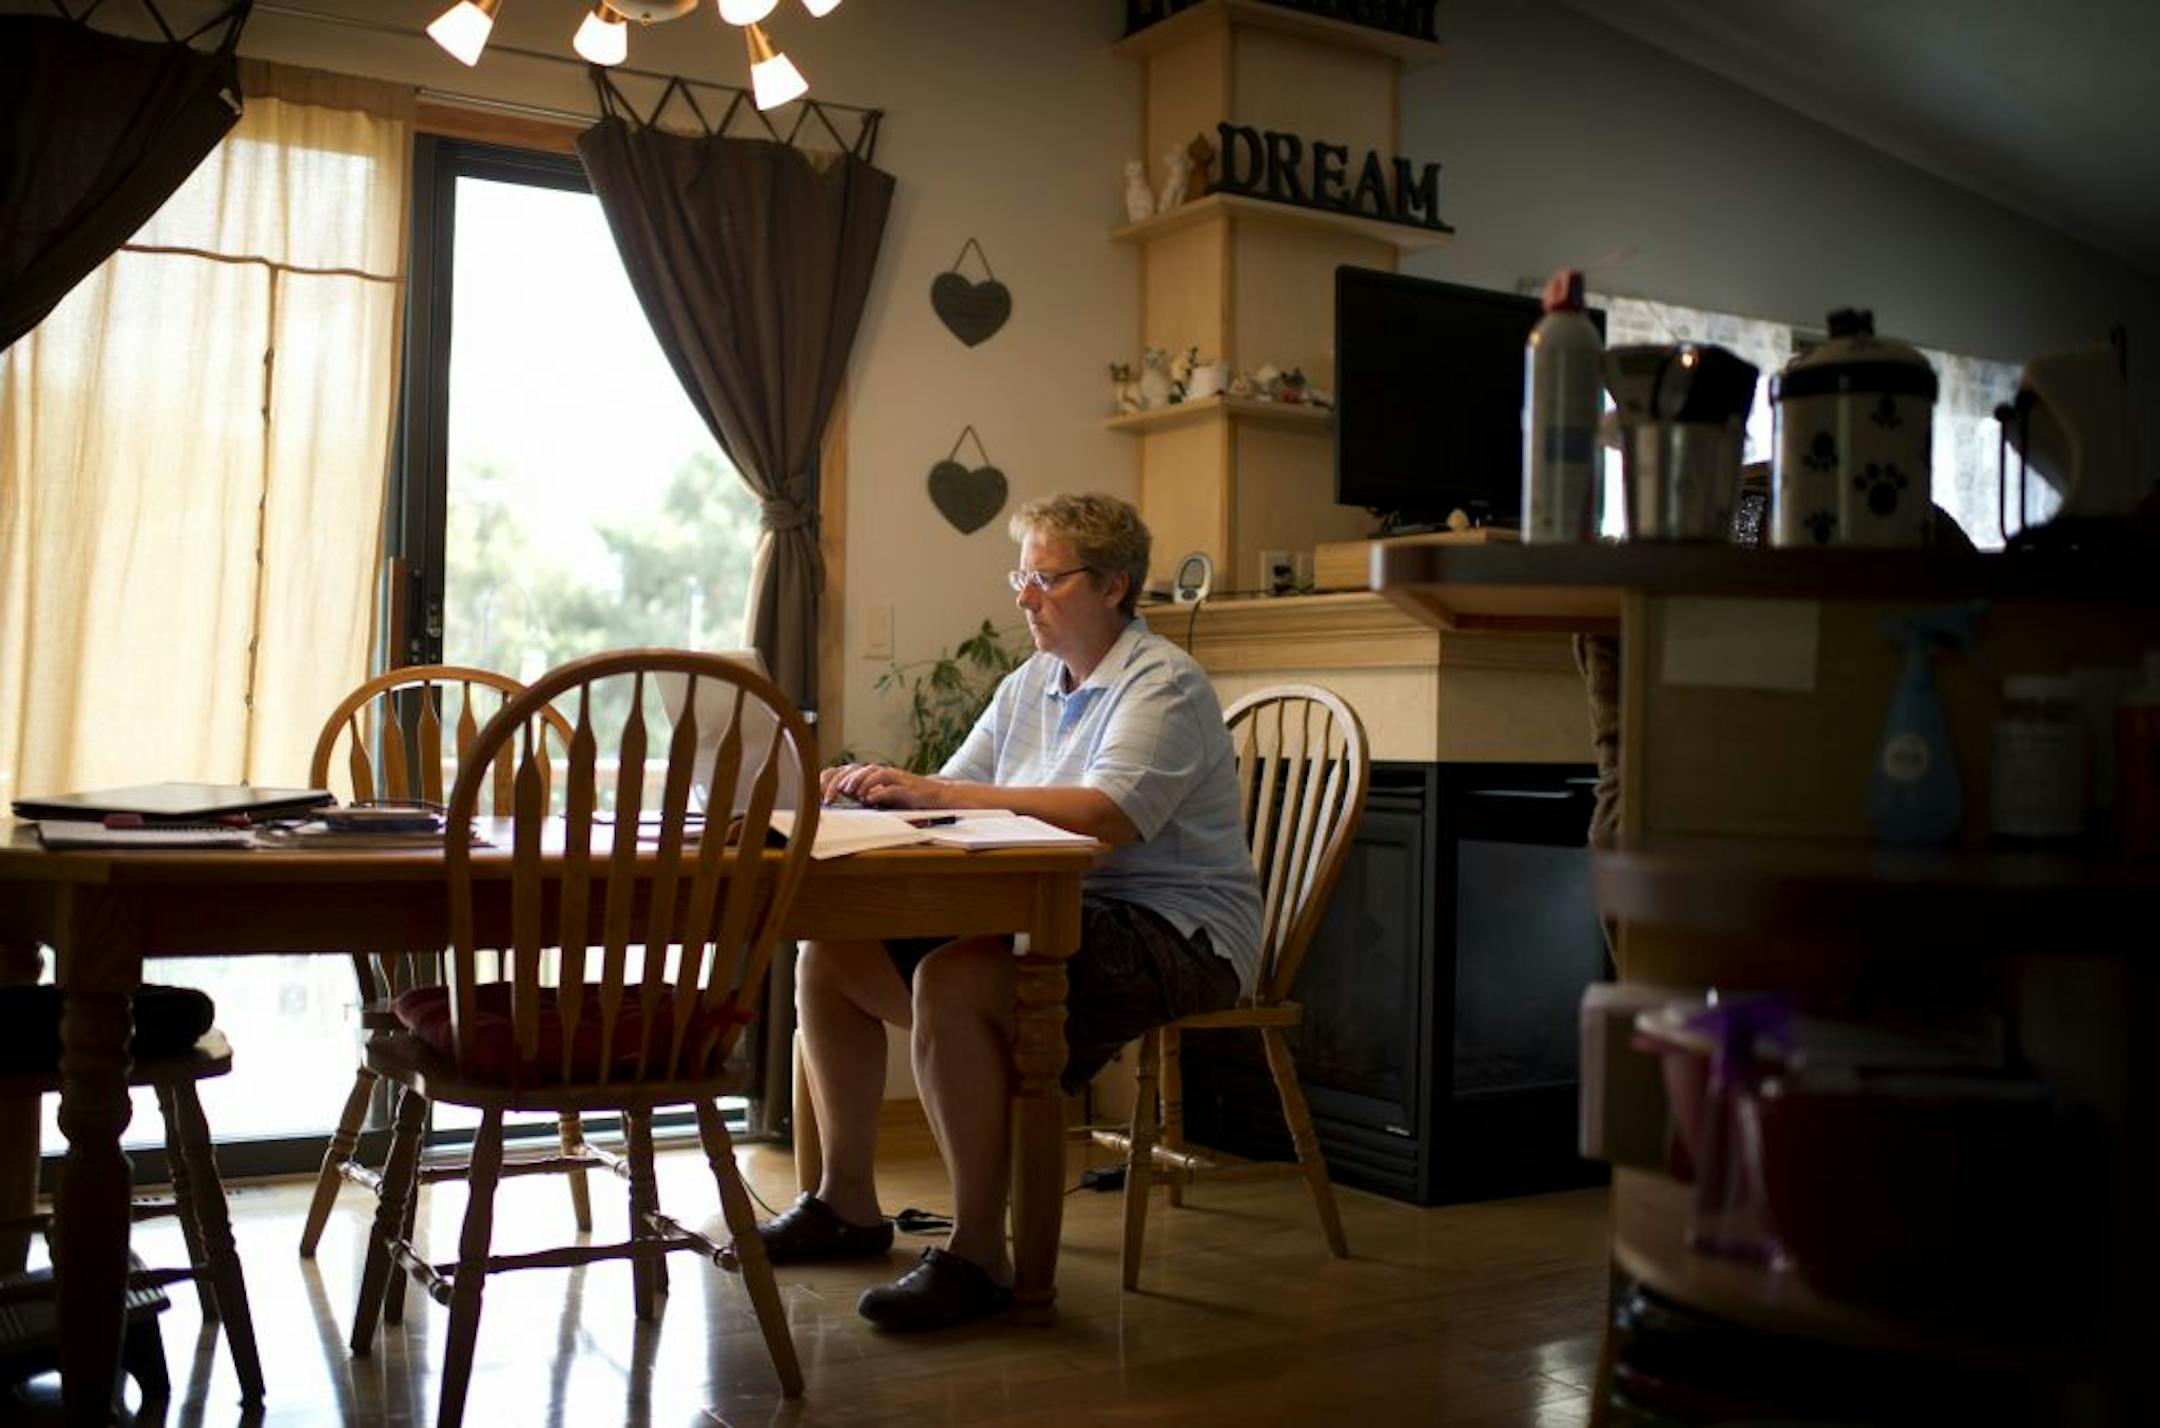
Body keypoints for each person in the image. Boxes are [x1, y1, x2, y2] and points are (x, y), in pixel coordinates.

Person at [751, 492, 1262, 1331]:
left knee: (959, 979)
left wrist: (938, 792)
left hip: (1176, 932)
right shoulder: (1030, 683)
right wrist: (883, 797)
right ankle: (845, 1204)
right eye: (1021, 575)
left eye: (1047, 578)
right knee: (832, 953)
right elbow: (953, 797)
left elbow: (1105, 815)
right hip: (1054, 910)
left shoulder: (1163, 683)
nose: (1024, 596)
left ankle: (979, 1253)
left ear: (1113, 586)